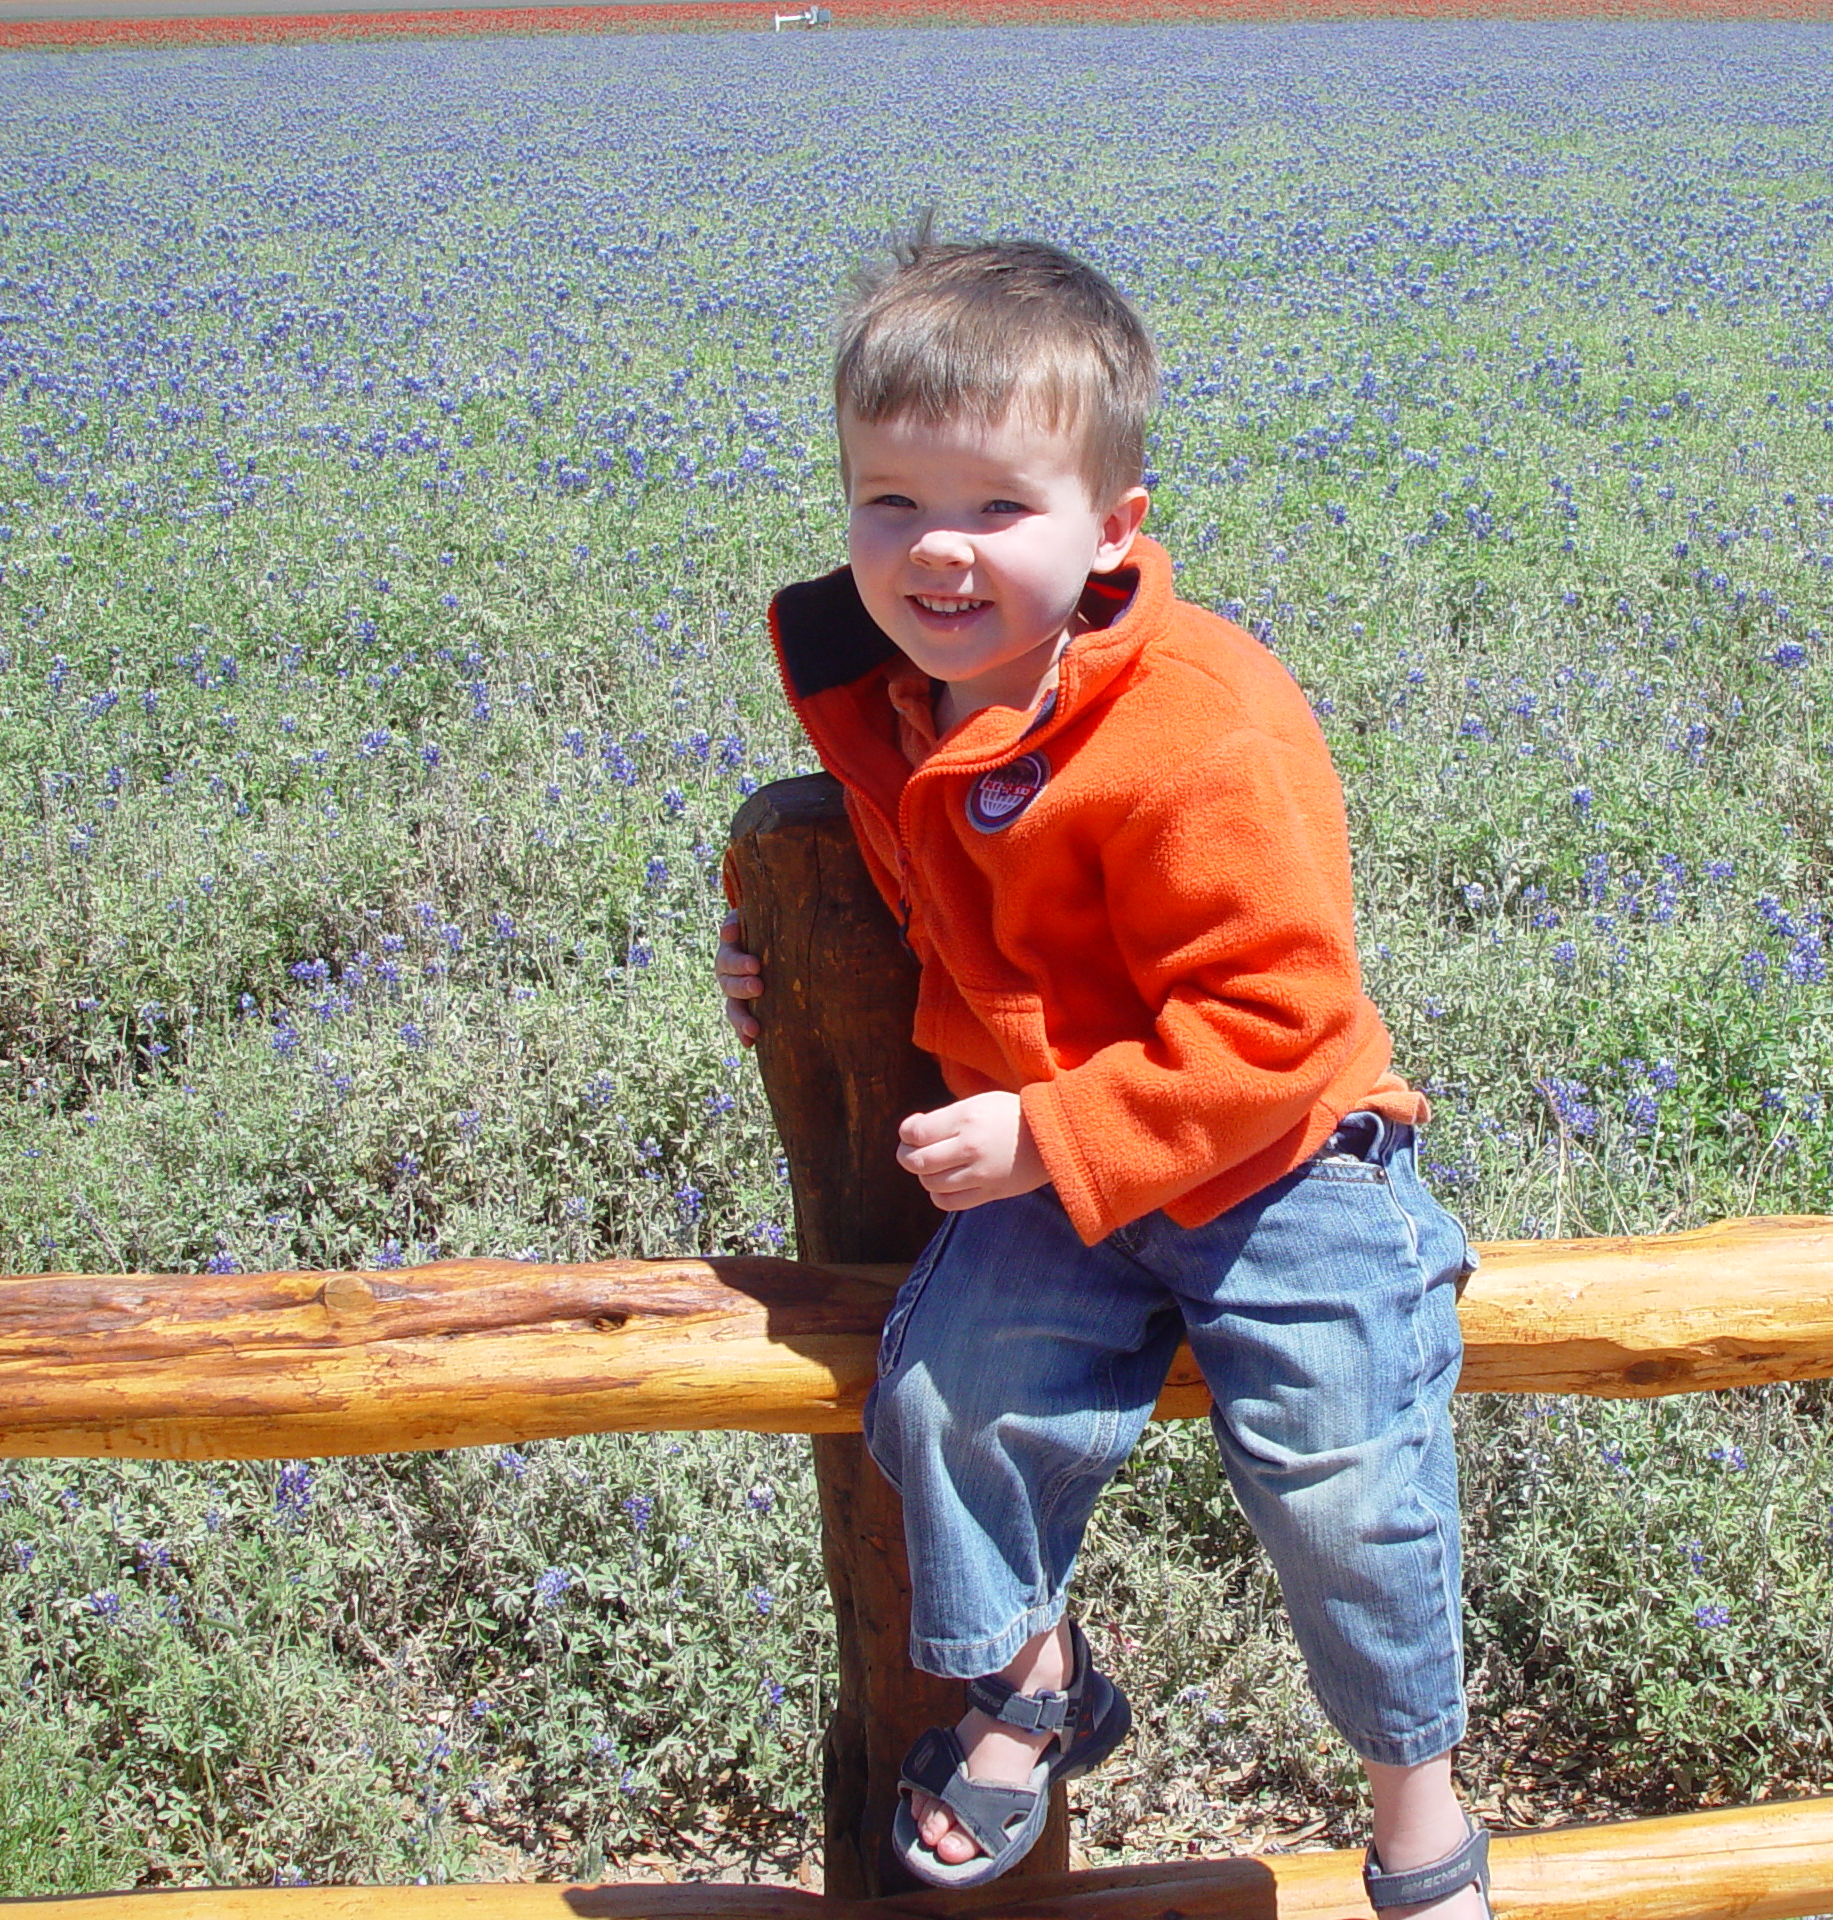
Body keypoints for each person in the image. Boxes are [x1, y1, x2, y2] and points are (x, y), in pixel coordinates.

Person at [716, 229, 1485, 1918]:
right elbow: (905, 868)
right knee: (945, 1393)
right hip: (1055, 1175)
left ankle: (1419, 1813)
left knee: (1343, 1473)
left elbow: (1282, 1024)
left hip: (1284, 1162)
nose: (935, 552)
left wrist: (1054, 1128)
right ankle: (1033, 1680)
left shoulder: (1203, 720)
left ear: (1114, 528)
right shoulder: (908, 700)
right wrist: (765, 952)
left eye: (998, 507)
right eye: (888, 502)